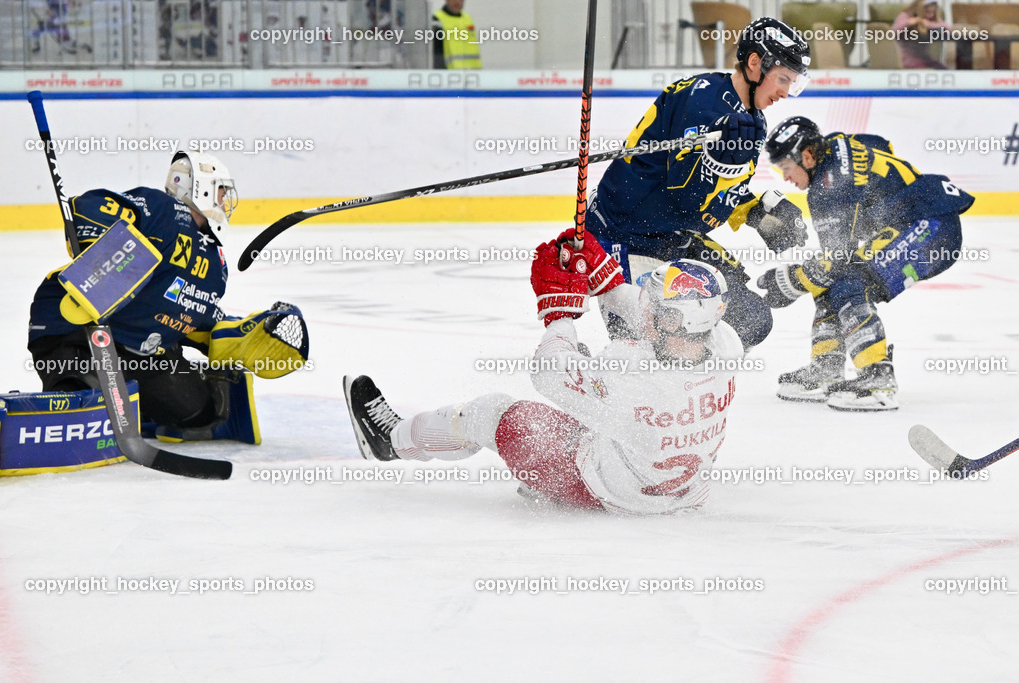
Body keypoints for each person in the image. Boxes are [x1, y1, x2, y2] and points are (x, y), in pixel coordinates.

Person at [344, 229, 743, 514]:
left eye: (655, 305)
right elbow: (652, 322)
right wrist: (602, 278)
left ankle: (389, 442)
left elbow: (549, 372)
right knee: (588, 388)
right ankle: (547, 481)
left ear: (673, 320)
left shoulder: (627, 373)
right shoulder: (725, 344)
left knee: (492, 413)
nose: (645, 307)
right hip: (680, 489)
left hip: (609, 489)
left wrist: (559, 311)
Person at [27, 151, 310, 443]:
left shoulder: (216, 265)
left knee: (199, 413)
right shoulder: (160, 209)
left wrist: (243, 335)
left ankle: (138, 408)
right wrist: (99, 242)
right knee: (83, 403)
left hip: (142, 355)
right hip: (74, 332)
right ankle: (76, 399)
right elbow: (88, 208)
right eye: (221, 191)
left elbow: (196, 321)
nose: (225, 201)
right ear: (198, 187)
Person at [589, 16, 811, 351]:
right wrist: (721, 163)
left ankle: (696, 360)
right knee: (653, 347)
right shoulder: (701, 102)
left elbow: (721, 190)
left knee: (751, 320)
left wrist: (759, 210)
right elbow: (685, 197)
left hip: (674, 238)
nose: (785, 92)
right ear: (754, 63)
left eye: (793, 83)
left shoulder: (753, 117)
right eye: (782, 79)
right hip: (627, 237)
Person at [756, 117, 975, 411]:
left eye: (785, 167)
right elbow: (882, 145)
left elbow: (836, 259)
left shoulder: (828, 188)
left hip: (929, 227)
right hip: (927, 217)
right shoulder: (836, 143)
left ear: (806, 156)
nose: (785, 178)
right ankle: (827, 369)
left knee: (849, 282)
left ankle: (876, 380)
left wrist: (790, 282)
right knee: (836, 281)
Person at [892, 0, 951, 69]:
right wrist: (909, 23)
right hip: (907, 60)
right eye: (927, 12)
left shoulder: (931, 19)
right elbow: (893, 31)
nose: (931, 15)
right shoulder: (905, 16)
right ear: (919, 9)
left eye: (933, 12)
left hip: (925, 60)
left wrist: (928, 24)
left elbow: (947, 28)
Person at [432, 0, 481, 69]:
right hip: (450, 74)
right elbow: (436, 53)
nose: (457, 2)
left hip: (471, 74)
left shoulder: (467, 19)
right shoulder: (437, 20)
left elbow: (474, 49)